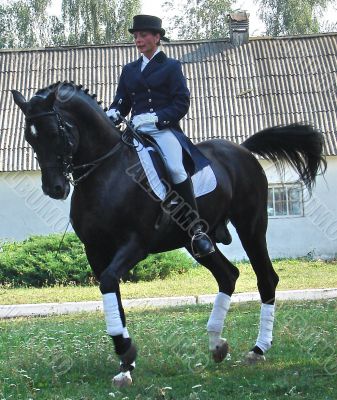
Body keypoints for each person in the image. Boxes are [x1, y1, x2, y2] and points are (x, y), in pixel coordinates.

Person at [106, 14, 214, 258]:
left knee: (176, 168)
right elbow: (121, 102)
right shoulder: (129, 70)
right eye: (135, 36)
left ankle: (196, 229)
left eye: (143, 35)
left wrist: (156, 118)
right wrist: (113, 113)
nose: (139, 40)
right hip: (136, 131)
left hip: (163, 130)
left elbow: (181, 102)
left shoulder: (171, 67)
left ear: (157, 37)